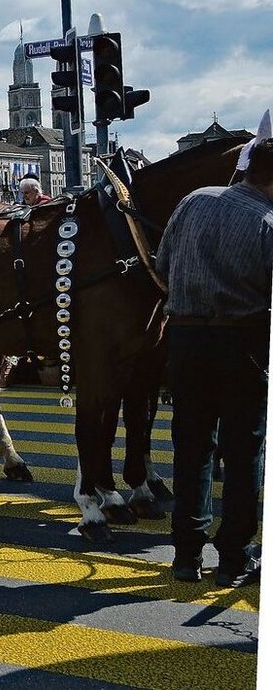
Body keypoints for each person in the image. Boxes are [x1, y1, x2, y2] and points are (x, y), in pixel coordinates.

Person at [156, 130, 273, 588]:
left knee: (191, 447)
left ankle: (186, 555)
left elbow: (162, 264)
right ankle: (234, 557)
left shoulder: (194, 200)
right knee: (244, 453)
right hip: (243, 343)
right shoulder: (267, 223)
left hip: (185, 340)